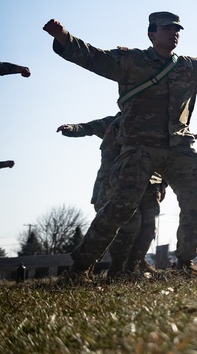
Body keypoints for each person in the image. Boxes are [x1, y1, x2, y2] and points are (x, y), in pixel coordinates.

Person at [44, 13, 197, 280]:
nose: (174, 33)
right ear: (151, 34)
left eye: (177, 30)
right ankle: (80, 268)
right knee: (119, 208)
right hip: (139, 146)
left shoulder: (190, 67)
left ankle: (184, 263)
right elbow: (94, 57)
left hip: (179, 147)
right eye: (168, 29)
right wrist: (63, 37)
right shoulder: (131, 61)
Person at [58, 113, 166, 279]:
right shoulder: (116, 122)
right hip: (115, 183)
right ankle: (114, 268)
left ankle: (135, 265)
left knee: (148, 227)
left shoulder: (157, 122)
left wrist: (163, 183)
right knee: (128, 225)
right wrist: (71, 128)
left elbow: (166, 153)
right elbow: (88, 127)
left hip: (150, 184)